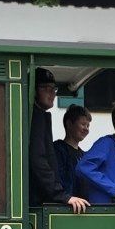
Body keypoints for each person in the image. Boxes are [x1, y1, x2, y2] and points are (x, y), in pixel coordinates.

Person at [29, 68, 88, 212]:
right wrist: (62, 196)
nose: (52, 93)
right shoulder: (34, 117)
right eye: (45, 88)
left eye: (53, 89)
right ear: (34, 91)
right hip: (38, 201)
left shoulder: (41, 115)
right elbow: (38, 160)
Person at [54, 103, 92, 190]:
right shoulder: (58, 150)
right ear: (69, 124)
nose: (86, 129)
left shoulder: (84, 156)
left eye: (88, 126)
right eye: (83, 124)